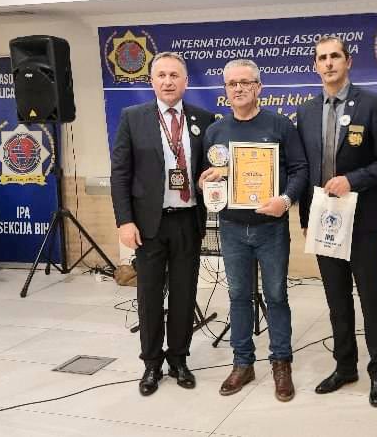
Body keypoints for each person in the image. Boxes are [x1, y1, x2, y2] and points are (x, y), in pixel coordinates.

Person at [297, 36, 377, 407]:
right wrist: (306, 217)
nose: (328, 63)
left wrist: (352, 180)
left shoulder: (371, 103)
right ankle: (345, 367)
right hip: (324, 219)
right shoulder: (306, 111)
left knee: (370, 296)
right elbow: (304, 169)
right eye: (321, 58)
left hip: (363, 218)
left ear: (348, 61)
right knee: (336, 298)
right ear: (315, 65)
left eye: (334, 56)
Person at [199, 59, 308, 402]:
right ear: (225, 90)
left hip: (271, 228)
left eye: (246, 82)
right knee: (238, 297)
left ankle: (281, 363)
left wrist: (286, 200)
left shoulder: (280, 125)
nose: (239, 88)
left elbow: (300, 169)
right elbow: (210, 175)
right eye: (232, 84)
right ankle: (243, 363)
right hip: (231, 227)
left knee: (276, 296)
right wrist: (207, 182)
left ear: (259, 87)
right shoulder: (216, 132)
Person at [110, 51, 215, 396]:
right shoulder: (133, 117)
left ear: (186, 82)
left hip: (188, 220)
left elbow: (210, 167)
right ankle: (152, 363)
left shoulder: (203, 119)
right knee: (150, 296)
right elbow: (120, 173)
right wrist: (125, 220)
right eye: (162, 75)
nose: (168, 82)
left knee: (184, 295)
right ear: (151, 81)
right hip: (148, 225)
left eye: (174, 75)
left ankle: (179, 359)